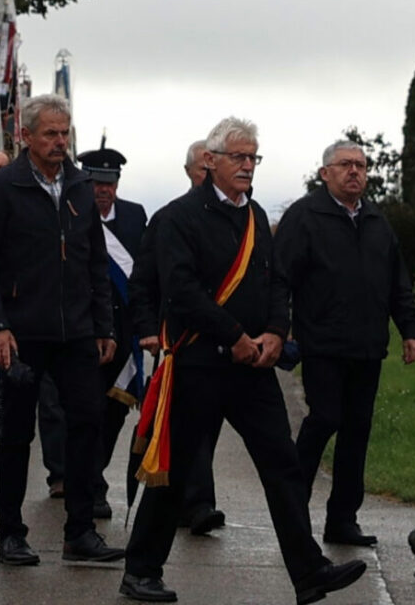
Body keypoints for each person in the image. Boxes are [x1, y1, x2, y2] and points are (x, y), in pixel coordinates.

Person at [119, 118, 366, 604]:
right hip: (198, 364)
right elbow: (182, 291)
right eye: (239, 157)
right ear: (210, 161)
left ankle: (309, 571)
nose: (248, 166)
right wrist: (233, 335)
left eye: (254, 157)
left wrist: (275, 331)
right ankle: (141, 571)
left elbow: (275, 282)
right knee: (176, 473)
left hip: (251, 367)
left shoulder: (254, 216)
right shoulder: (178, 218)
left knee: (283, 466)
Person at [0, 94, 124, 566]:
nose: (59, 141)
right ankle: (11, 533)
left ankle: (80, 531)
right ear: (26, 136)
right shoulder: (3, 187)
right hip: (21, 331)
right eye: (50, 133)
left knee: (87, 426)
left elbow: (95, 261)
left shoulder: (79, 185)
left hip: (76, 332)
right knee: (17, 434)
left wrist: (103, 325)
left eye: (64, 133)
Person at [275, 139, 415, 546]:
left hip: (367, 346)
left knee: (357, 431)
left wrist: (409, 329)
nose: (354, 171)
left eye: (360, 165)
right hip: (322, 343)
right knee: (324, 419)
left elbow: (397, 281)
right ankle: (292, 509)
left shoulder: (377, 221)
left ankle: (342, 520)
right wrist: (279, 326)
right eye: (345, 165)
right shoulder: (305, 216)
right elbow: (280, 277)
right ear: (325, 173)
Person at [129, 139, 226, 537]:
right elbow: (144, 279)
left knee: (209, 427)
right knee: (190, 424)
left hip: (228, 343)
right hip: (183, 342)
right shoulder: (171, 218)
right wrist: (147, 328)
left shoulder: (242, 218)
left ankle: (187, 497)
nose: (210, 175)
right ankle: (198, 503)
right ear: (190, 172)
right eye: (203, 169)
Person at [75, 144, 148, 519]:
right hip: (84, 329)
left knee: (115, 411)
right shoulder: (71, 212)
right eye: (96, 183)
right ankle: (89, 485)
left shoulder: (135, 216)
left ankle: (94, 475)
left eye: (109, 183)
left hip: (125, 332)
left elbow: (145, 273)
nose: (103, 190)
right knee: (88, 411)